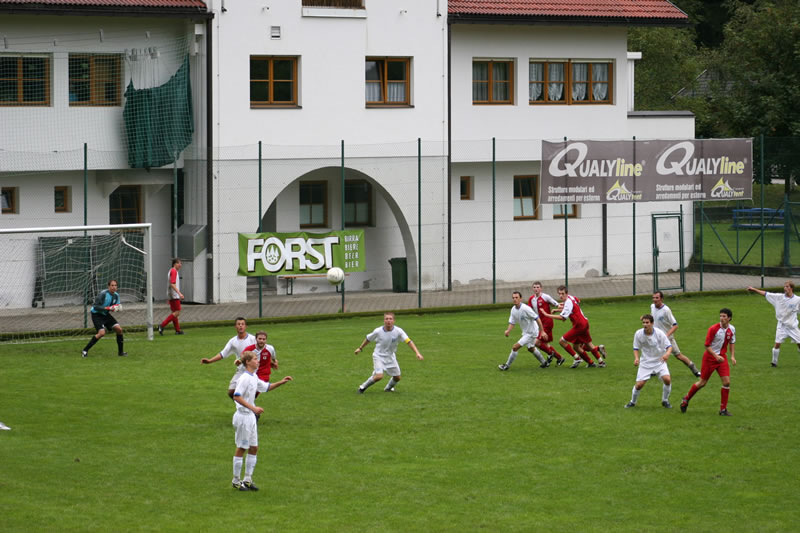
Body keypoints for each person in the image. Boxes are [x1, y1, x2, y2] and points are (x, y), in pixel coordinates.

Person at [230, 351, 293, 491]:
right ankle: (235, 480)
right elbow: (237, 396)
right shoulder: (244, 378)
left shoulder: (254, 376)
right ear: (248, 362)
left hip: (251, 417)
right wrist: (254, 408)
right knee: (242, 448)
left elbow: (266, 387)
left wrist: (282, 382)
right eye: (255, 359)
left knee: (254, 448)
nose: (258, 361)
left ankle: (247, 479)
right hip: (243, 416)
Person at [680, 308, 737, 416]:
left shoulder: (732, 329)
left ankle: (723, 410)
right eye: (720, 316)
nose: (721, 318)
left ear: (729, 318)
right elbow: (707, 345)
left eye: (724, 316)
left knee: (727, 382)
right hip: (710, 358)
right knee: (702, 383)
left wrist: (732, 356)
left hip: (721, 358)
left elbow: (732, 342)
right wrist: (715, 356)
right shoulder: (713, 329)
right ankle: (686, 399)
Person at [354, 312, 423, 393]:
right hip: (378, 356)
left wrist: (417, 353)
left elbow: (408, 341)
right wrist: (360, 348)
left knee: (397, 378)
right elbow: (368, 339)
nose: (388, 321)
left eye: (390, 319)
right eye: (386, 319)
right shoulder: (378, 331)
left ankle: (388, 388)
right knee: (379, 376)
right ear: (384, 321)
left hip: (390, 357)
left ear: (394, 321)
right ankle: (362, 388)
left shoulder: (399, 331)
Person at [542, 285, 606, 368]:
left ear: (566, 293)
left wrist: (547, 315)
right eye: (559, 294)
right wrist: (557, 310)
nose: (561, 295)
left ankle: (577, 359)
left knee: (562, 341)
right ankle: (598, 362)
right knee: (579, 346)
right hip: (584, 322)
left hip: (579, 326)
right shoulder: (572, 298)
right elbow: (575, 304)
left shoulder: (568, 302)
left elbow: (562, 318)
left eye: (563, 294)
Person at [625, 314, 674, 409]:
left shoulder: (659, 333)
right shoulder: (638, 334)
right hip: (646, 363)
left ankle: (665, 400)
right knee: (639, 385)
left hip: (659, 361)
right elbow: (636, 348)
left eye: (647, 322)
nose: (645, 324)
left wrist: (667, 354)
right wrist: (636, 358)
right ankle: (632, 402)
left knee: (667, 380)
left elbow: (669, 347)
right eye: (643, 322)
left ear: (652, 323)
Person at [747, 282, 800, 367]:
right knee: (777, 343)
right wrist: (754, 289)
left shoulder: (797, 300)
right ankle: (774, 362)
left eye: (787, 286)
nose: (785, 288)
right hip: (781, 326)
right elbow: (765, 294)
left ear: (791, 288)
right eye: (784, 286)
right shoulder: (778, 297)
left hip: (792, 326)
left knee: (799, 343)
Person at [201, 317, 256, 398]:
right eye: (238, 324)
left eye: (242, 324)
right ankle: (246, 407)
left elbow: (262, 351)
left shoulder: (253, 339)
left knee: (248, 393)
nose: (241, 326)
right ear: (235, 327)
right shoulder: (233, 341)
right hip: (241, 370)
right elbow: (223, 354)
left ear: (246, 326)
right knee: (231, 392)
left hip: (252, 370)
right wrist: (210, 361)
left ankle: (247, 407)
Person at [651, 291, 700, 377]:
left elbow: (675, 325)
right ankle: (654, 371)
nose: (655, 300)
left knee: (678, 355)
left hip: (667, 338)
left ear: (661, 299)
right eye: (653, 298)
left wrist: (666, 336)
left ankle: (695, 370)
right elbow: (653, 317)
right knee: (655, 353)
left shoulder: (666, 310)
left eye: (657, 298)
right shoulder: (652, 307)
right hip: (656, 337)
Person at [499, 291, 549, 370]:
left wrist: (542, 331)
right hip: (526, 332)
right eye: (513, 298)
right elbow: (512, 322)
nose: (514, 299)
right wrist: (508, 330)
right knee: (531, 348)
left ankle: (506, 366)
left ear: (520, 299)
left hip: (532, 332)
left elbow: (537, 318)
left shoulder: (526, 308)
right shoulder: (513, 309)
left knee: (515, 347)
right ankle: (544, 363)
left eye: (516, 298)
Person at [82, 279, 127, 358]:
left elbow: (116, 306)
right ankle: (85, 350)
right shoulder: (103, 294)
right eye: (112, 285)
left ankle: (121, 352)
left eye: (115, 285)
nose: (114, 287)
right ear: (108, 286)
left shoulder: (116, 295)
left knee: (119, 329)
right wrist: (109, 308)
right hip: (97, 314)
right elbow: (95, 306)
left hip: (105, 315)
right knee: (101, 333)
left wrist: (118, 308)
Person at [528, 282, 565, 366]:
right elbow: (529, 311)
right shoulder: (531, 299)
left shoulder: (545, 297)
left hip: (547, 323)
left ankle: (550, 353)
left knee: (536, 343)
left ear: (541, 288)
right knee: (545, 344)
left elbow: (556, 304)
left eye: (538, 287)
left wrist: (560, 307)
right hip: (539, 324)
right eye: (534, 287)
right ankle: (560, 358)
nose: (536, 289)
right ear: (532, 289)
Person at [242, 330, 278, 398]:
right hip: (252, 373)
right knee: (248, 395)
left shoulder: (270, 348)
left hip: (264, 375)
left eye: (264, 339)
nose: (262, 341)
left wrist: (275, 363)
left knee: (252, 394)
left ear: (266, 340)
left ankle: (248, 406)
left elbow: (273, 358)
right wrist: (238, 362)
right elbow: (242, 357)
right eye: (260, 339)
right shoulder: (250, 349)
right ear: (256, 339)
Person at [159, 258, 185, 335]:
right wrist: (179, 293)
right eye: (179, 263)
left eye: (181, 263)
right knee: (177, 312)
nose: (180, 265)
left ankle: (177, 330)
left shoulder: (172, 271)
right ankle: (162, 325)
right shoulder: (174, 271)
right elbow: (172, 284)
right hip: (174, 295)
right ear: (175, 264)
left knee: (174, 313)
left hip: (171, 295)